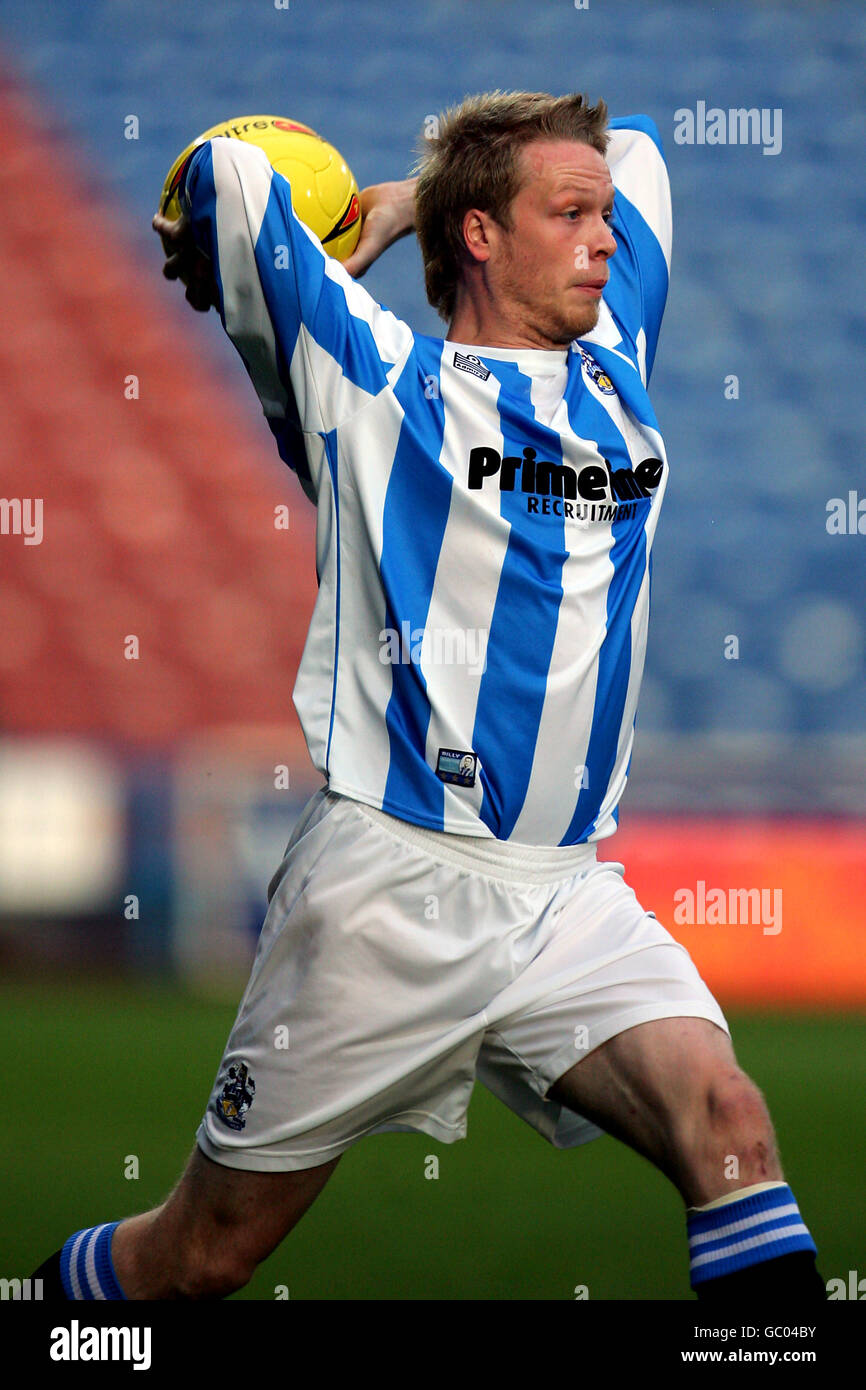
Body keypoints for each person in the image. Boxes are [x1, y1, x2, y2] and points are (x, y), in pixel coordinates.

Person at [34, 90, 825, 1301]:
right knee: (199, 1257)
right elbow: (229, 186)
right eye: (568, 216)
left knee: (728, 1123)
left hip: (565, 892)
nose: (604, 238)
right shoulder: (365, 380)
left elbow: (642, 151)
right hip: (388, 890)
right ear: (478, 237)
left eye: (603, 219)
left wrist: (486, 188)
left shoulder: (619, 360)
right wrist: (400, 206)